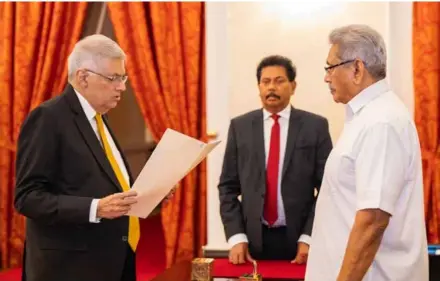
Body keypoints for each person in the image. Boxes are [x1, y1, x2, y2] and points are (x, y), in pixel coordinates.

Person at [14, 34, 162, 281]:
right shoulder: (48, 118)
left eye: (123, 78)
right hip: (70, 268)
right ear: (83, 77)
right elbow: (28, 197)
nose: (122, 87)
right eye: (114, 78)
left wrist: (152, 191)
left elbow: (106, 183)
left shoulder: (99, 118)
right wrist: (96, 208)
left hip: (115, 257)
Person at [305, 24, 429, 281]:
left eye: (330, 68)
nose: (326, 78)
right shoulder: (366, 118)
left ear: (357, 69)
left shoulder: (381, 122)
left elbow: (372, 221)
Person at [218, 55, 333, 264]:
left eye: (279, 81)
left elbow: (327, 188)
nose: (272, 87)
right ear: (259, 86)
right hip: (252, 240)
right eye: (266, 82)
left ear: (293, 85)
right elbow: (227, 187)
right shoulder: (240, 127)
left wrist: (309, 236)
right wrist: (236, 236)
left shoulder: (315, 126)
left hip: (299, 240)